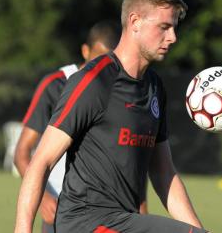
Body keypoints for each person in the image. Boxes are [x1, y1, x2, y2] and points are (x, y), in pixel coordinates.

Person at [14, 0, 209, 233]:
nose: (173, 37)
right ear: (135, 22)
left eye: (174, 28)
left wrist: (198, 229)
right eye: (164, 27)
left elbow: (163, 174)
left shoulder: (154, 88)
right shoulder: (94, 82)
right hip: (85, 223)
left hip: (122, 221)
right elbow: (41, 161)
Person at [14, 21, 149, 233]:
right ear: (85, 51)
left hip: (111, 213)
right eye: (98, 56)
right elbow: (22, 151)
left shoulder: (122, 90)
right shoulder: (56, 84)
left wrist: (142, 210)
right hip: (61, 209)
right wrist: (43, 199)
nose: (104, 63)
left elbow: (133, 158)